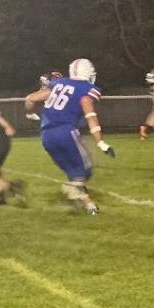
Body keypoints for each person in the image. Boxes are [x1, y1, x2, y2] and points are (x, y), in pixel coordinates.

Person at [24, 58, 115, 215]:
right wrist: (100, 142)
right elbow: (90, 115)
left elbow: (30, 98)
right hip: (66, 132)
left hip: (46, 135)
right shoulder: (87, 89)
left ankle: (89, 205)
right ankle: (76, 192)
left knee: (73, 171)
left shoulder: (58, 84)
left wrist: (30, 113)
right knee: (85, 169)